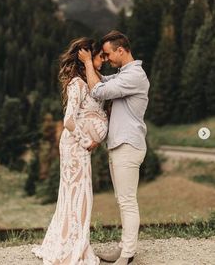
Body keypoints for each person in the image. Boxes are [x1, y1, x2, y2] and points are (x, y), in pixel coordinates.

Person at [31, 37, 108, 265]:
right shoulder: (77, 84)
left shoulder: (93, 81)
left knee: (79, 192)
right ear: (87, 57)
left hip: (80, 146)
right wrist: (87, 141)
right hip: (75, 145)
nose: (103, 60)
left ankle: (75, 239)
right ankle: (72, 243)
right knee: (78, 192)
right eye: (99, 56)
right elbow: (68, 121)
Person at [78, 30, 150, 265]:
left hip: (128, 145)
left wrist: (88, 62)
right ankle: (123, 248)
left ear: (121, 50)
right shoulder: (123, 75)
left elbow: (98, 90)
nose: (106, 59)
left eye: (108, 54)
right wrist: (90, 67)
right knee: (122, 200)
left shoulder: (135, 76)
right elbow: (101, 81)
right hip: (120, 145)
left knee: (127, 201)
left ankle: (127, 254)